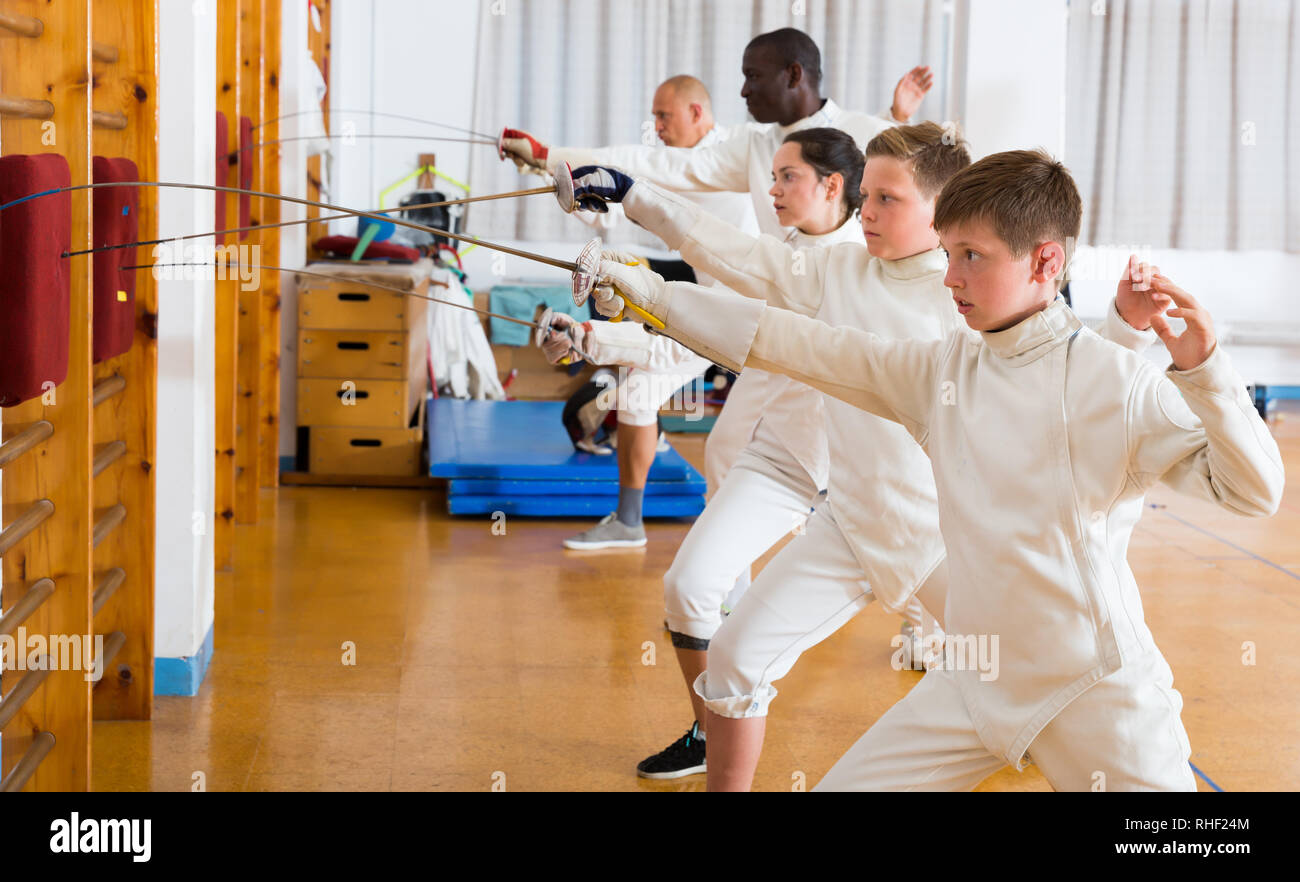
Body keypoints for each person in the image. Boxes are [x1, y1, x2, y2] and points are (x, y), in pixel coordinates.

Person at [585, 148, 1285, 790]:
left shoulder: (1117, 381)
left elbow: (1254, 492)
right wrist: (656, 299)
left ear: (1045, 263)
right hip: (976, 681)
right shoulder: (943, 369)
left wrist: (1204, 370)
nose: (950, 278)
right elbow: (796, 344)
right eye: (948, 254)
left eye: (972, 256)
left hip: (1095, 690)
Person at [562, 128, 868, 779]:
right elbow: (708, 333)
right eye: (774, 174)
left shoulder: (857, 268)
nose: (772, 188)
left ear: (832, 186)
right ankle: (710, 731)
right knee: (690, 591)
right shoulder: (786, 252)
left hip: (849, 494)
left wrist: (633, 199)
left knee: (970, 628)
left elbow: (712, 256)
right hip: (772, 473)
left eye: (788, 177)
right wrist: (599, 338)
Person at [545, 74, 758, 550]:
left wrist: (553, 155)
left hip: (741, 319)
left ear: (697, 114)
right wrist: (556, 176)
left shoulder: (724, 166)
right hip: (711, 311)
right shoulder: (683, 167)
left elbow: (638, 176)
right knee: (638, 394)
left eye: (665, 116)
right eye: (655, 117)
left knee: (730, 448)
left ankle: (721, 556)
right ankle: (629, 522)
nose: (656, 126)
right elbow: (619, 208)